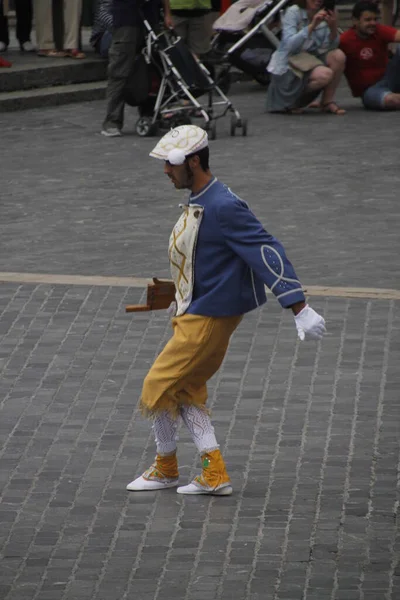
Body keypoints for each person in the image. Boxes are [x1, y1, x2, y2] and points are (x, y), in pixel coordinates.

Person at [126, 124, 327, 496]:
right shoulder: (205, 199)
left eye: (169, 165)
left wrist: (299, 306)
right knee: (185, 389)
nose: (166, 172)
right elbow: (208, 259)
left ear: (193, 161)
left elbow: (266, 251)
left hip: (207, 319)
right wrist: (175, 291)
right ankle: (212, 473)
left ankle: (167, 468)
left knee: (158, 384)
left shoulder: (223, 205)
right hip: (197, 310)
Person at [101, 0, 173, 137]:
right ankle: (112, 121)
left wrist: (167, 14)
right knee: (119, 71)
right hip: (127, 18)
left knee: (153, 69)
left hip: (151, 19)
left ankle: (150, 115)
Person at [266, 0, 346, 115]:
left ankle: (326, 102)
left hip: (310, 57)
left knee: (338, 56)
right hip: (291, 58)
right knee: (325, 75)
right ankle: (291, 102)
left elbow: (331, 46)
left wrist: (333, 27)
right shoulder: (293, 12)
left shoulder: (326, 12)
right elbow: (289, 46)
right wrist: (312, 25)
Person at [339, 0, 400, 110]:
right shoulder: (344, 40)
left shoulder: (379, 30)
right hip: (370, 90)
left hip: (390, 78)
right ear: (355, 21)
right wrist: (325, 101)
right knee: (391, 101)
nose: (372, 23)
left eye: (375, 19)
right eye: (367, 20)